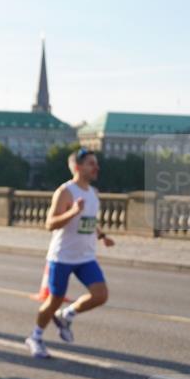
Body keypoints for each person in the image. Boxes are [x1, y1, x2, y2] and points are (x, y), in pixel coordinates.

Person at [26, 149, 114, 359]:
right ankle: (35, 337)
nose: (96, 167)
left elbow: (90, 220)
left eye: (96, 163)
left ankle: (67, 315)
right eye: (91, 163)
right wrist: (72, 211)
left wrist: (102, 236)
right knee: (54, 300)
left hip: (86, 257)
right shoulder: (65, 192)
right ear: (77, 167)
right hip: (62, 257)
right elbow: (50, 224)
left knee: (100, 295)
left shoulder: (93, 193)